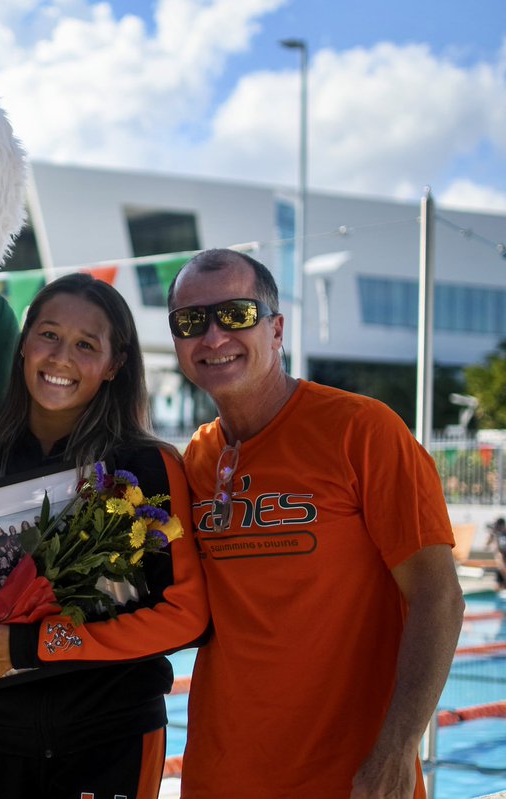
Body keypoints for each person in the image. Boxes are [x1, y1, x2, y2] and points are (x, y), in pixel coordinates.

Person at [166, 248, 465, 798]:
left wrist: (399, 748)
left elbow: (439, 597)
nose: (212, 337)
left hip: (350, 778)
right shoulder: (197, 459)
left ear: (276, 329)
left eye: (234, 315)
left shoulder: (362, 431)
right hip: (219, 775)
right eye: (190, 322)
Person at [0, 274, 208, 799]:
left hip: (109, 737)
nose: (61, 357)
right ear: (24, 343)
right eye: (48, 334)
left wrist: (37, 646)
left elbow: (186, 616)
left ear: (114, 365)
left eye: (86, 345)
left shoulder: (145, 466)